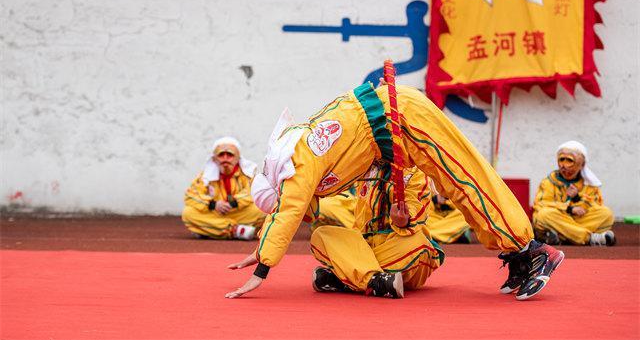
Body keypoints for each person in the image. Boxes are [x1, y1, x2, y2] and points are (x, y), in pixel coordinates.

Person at [226, 82, 563, 301]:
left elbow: (288, 210)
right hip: (393, 136)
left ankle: (530, 250)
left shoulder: (297, 162)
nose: (291, 199)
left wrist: (262, 266)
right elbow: (294, 210)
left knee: (463, 179)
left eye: (282, 199)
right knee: (325, 234)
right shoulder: (300, 155)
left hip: (403, 116)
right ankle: (516, 253)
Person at [311, 164, 443, 298]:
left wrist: (403, 221)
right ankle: (376, 281)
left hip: (394, 248)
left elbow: (415, 208)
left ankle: (348, 276)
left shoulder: (415, 171)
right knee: (321, 235)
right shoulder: (363, 163)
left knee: (419, 245)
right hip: (363, 247)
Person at [533, 141, 615, 246]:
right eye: (562, 159)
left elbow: (594, 205)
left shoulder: (589, 184)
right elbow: (541, 204)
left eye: (569, 160)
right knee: (544, 215)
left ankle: (564, 236)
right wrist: (569, 209)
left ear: (582, 164)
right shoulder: (548, 182)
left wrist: (577, 198)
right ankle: (589, 238)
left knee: (606, 214)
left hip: (569, 222)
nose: (564, 165)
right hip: (557, 217)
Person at [182, 137, 265, 240]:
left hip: (237, 213)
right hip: (215, 213)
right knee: (188, 213)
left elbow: (252, 193)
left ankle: (211, 230)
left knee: (263, 211)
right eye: (221, 155)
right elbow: (191, 195)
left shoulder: (247, 175)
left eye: (230, 155)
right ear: (215, 159)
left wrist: (233, 203)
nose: (225, 158)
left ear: (237, 158)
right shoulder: (205, 176)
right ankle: (235, 230)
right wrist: (213, 204)